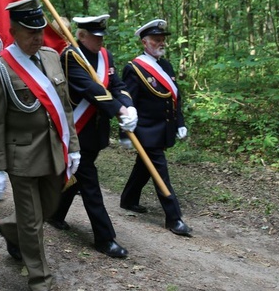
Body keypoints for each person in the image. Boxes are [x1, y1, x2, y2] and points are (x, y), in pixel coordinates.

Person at [0, 0, 80, 291]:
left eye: (40, 30)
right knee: (33, 222)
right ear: (13, 31)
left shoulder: (51, 56)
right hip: (21, 157)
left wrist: (74, 146)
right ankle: (40, 282)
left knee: (47, 209)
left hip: (54, 152)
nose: (38, 37)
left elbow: (65, 108)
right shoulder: (0, 67)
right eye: (30, 32)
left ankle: (12, 230)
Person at [48, 15, 137, 258]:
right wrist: (119, 110)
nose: (100, 41)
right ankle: (104, 238)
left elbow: (116, 84)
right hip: (77, 132)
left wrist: (129, 106)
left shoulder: (105, 55)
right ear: (81, 35)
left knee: (77, 174)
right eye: (95, 37)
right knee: (90, 186)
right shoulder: (70, 56)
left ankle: (54, 213)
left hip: (96, 132)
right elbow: (91, 90)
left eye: (101, 37)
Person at [119, 19, 192, 237]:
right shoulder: (134, 68)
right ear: (144, 42)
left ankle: (128, 199)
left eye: (162, 40)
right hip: (146, 131)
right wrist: (125, 133)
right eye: (156, 40)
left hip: (164, 129)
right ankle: (174, 218)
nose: (161, 43)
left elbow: (174, 98)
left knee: (145, 165)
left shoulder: (167, 66)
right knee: (160, 171)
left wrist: (180, 122)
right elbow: (126, 101)